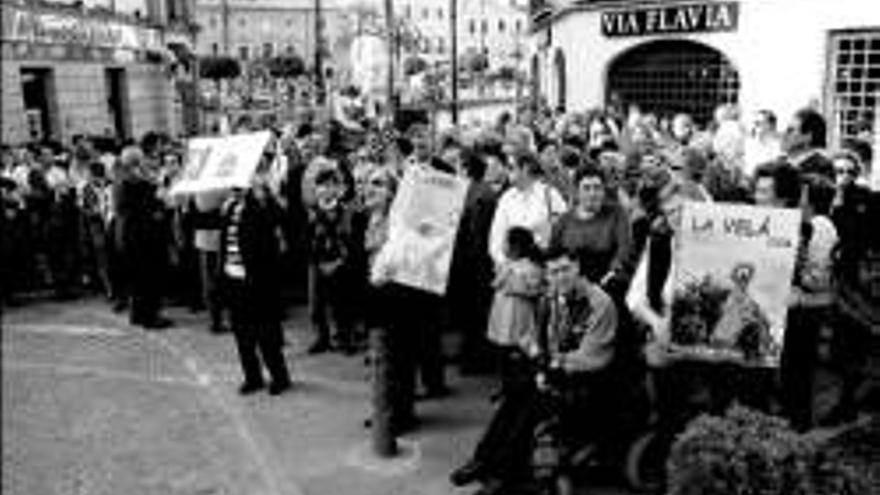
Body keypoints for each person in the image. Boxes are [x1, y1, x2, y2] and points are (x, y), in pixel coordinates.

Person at [450, 251, 617, 495]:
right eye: (553, 272)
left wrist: (548, 367)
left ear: (578, 267)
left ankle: (503, 475)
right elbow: (536, 338)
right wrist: (535, 352)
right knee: (514, 393)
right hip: (553, 368)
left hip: (587, 380)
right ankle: (484, 460)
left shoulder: (600, 303)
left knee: (530, 406)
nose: (560, 277)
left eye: (565, 269)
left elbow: (593, 358)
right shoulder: (551, 297)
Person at [219, 176, 292, 396]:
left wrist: (265, 195)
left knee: (266, 333)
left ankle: (280, 377)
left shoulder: (260, 206)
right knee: (242, 334)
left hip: (258, 281)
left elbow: (278, 219)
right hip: (233, 278)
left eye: (239, 186)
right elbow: (224, 242)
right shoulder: (229, 208)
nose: (235, 190)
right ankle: (253, 377)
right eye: (232, 186)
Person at [549, 165, 632, 301]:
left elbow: (624, 250)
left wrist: (610, 275)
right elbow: (553, 254)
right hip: (571, 283)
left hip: (607, 282)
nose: (592, 193)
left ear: (604, 190)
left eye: (597, 188)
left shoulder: (616, 214)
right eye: (586, 188)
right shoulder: (564, 221)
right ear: (577, 191)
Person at [114, 146, 172, 329]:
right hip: (142, 237)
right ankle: (150, 317)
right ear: (136, 162)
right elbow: (146, 207)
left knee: (138, 278)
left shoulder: (122, 180)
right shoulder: (133, 182)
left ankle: (138, 314)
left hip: (129, 235)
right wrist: (158, 200)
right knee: (147, 277)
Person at [488, 150, 567, 270]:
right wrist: (505, 264)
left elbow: (564, 232)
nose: (507, 172)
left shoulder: (550, 195)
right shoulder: (506, 198)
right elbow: (496, 237)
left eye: (511, 168)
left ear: (525, 168)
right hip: (512, 271)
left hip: (543, 268)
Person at [485, 227, 544, 386]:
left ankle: (520, 385)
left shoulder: (530, 267)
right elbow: (496, 284)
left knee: (519, 351)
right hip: (502, 313)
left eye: (505, 242)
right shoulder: (505, 264)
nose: (503, 246)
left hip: (518, 313)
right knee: (503, 351)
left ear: (516, 247)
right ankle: (505, 384)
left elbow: (535, 290)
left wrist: (513, 284)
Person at [782, 107, 834, 181]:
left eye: (790, 130)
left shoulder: (821, 167)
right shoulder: (781, 162)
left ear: (807, 137)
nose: (784, 135)